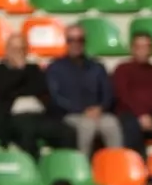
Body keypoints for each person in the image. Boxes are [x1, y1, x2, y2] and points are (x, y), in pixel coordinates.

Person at [0, 34, 74, 161]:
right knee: (27, 131)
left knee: (67, 131)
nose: (19, 53)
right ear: (7, 50)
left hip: (38, 115)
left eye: (22, 49)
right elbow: (4, 88)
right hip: (11, 117)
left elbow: (40, 88)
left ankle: (63, 165)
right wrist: (20, 69)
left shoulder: (34, 69)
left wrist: (17, 85)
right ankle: (35, 168)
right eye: (15, 49)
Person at [46, 24, 124, 158]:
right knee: (87, 126)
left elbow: (107, 92)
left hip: (98, 113)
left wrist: (100, 108)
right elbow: (56, 97)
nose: (76, 44)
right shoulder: (55, 67)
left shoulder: (97, 66)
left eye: (79, 40)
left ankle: (115, 166)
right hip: (70, 114)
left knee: (111, 123)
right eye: (71, 40)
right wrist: (82, 110)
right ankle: (83, 168)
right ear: (66, 42)